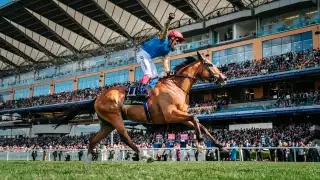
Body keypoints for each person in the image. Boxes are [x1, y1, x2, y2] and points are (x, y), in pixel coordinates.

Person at [136, 13, 185, 97]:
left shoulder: (167, 50)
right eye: (177, 40)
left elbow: (165, 62)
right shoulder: (163, 38)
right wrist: (169, 19)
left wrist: (168, 72)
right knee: (148, 73)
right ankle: (140, 92)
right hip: (142, 54)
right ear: (172, 38)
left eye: (179, 42)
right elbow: (165, 28)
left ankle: (148, 93)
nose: (177, 43)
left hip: (148, 58)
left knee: (155, 76)